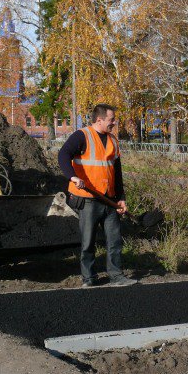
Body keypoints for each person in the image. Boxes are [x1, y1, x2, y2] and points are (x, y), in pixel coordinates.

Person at [58, 103, 137, 287]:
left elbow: (117, 172)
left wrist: (121, 197)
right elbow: (63, 155)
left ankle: (116, 276)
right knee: (88, 241)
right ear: (99, 119)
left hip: (109, 199)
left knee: (114, 240)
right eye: (111, 120)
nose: (114, 123)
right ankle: (89, 278)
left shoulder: (113, 140)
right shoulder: (82, 136)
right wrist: (73, 177)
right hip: (88, 200)